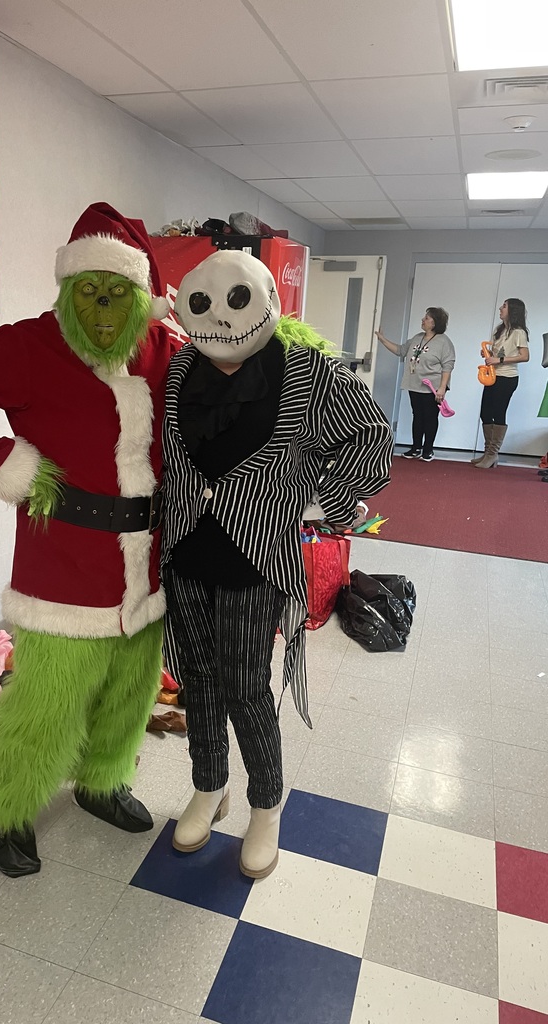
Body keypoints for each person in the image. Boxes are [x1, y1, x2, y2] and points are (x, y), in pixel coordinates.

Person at [0, 203, 175, 878]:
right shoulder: (28, 346)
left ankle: (100, 782)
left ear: (140, 294)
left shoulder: (168, 351)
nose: (104, 307)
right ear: (67, 291)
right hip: (62, 565)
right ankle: (12, 811)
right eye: (89, 291)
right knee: (44, 705)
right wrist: (17, 472)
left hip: (147, 569)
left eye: (118, 292)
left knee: (129, 693)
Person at [161, 250, 393, 880]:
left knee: (244, 686)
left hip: (255, 557)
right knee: (196, 681)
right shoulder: (182, 366)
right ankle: (210, 784)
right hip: (185, 553)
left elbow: (372, 445)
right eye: (201, 301)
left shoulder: (306, 373)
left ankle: (266, 804)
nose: (220, 316)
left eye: (237, 299)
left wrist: (317, 497)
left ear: (266, 298)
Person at [375, 308, 455, 462]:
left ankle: (428, 450)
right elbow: (400, 350)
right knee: (417, 416)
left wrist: (442, 388)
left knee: (430, 417)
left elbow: (448, 366)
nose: (423, 320)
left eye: (426, 318)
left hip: (432, 387)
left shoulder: (444, 342)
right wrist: (382, 339)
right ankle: (416, 447)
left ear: (434, 323)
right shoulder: (416, 338)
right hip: (414, 384)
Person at [472, 298, 530, 469]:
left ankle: (492, 454)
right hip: (493, 376)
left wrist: (500, 359)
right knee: (485, 413)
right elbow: (498, 353)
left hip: (507, 378)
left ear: (512, 310)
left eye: (504, 306)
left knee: (498, 413)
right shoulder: (499, 331)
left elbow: (525, 356)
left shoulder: (519, 332)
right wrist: (489, 354)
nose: (500, 308)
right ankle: (488, 452)